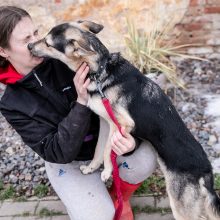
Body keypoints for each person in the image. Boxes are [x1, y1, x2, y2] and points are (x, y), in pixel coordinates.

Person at [0, 6, 157, 220]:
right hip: (68, 162)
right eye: (25, 39)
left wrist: (130, 142)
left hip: (104, 144)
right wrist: (81, 101)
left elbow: (118, 102)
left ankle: (120, 197)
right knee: (98, 217)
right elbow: (57, 152)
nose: (35, 41)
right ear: (3, 51)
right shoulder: (12, 103)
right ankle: (95, 200)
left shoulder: (66, 57)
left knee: (145, 158)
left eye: (35, 33)